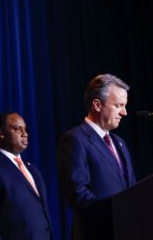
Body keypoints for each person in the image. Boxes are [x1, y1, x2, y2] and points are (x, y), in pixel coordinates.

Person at [56, 74, 136, 240]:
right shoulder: (74, 139)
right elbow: (78, 194)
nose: (124, 112)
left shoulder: (119, 142)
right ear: (97, 105)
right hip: (96, 233)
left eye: (125, 106)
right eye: (118, 105)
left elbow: (132, 188)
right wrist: (116, 215)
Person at [0, 112, 53, 240]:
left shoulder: (32, 169)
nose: (25, 134)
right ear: (1, 133)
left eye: (25, 129)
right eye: (17, 129)